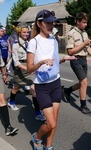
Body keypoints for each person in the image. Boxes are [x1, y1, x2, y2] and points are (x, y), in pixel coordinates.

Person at [27, 9, 65, 150]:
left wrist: (62, 60)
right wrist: (41, 62)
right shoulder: (33, 42)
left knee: (55, 119)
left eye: (53, 22)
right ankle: (37, 137)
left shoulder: (53, 39)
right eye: (48, 22)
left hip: (56, 82)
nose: (51, 25)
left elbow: (53, 60)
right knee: (51, 123)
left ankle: (48, 146)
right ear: (39, 23)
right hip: (42, 86)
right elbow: (30, 68)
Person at [63, 12, 91, 115]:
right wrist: (84, 44)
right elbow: (70, 51)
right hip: (75, 59)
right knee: (84, 82)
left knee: (82, 83)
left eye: (86, 22)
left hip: (84, 60)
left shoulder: (84, 33)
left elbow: (87, 47)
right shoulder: (71, 34)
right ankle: (83, 106)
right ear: (77, 21)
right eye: (84, 22)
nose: (86, 24)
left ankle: (67, 90)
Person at [7, 22, 45, 121]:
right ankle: (11, 102)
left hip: (29, 68)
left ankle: (37, 112)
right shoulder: (15, 45)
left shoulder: (30, 42)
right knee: (16, 88)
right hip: (20, 70)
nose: (26, 34)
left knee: (34, 90)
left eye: (27, 32)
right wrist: (28, 69)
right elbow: (16, 62)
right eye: (24, 32)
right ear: (19, 32)